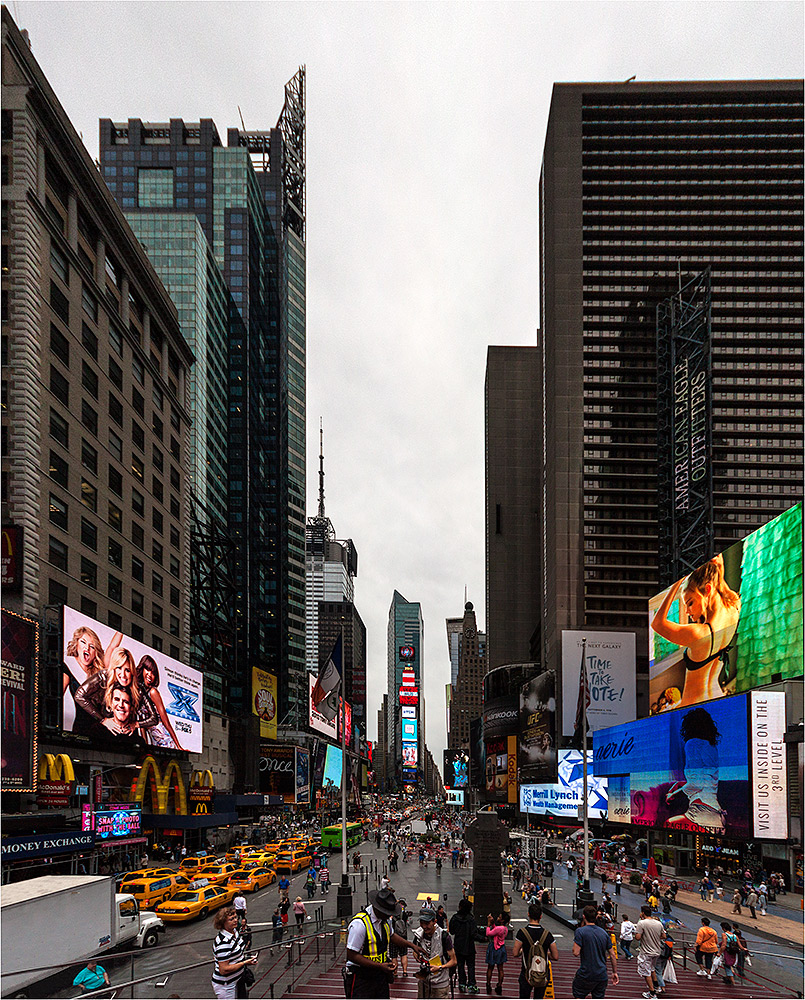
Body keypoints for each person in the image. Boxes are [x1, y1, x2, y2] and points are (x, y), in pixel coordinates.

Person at [344, 888, 425, 999]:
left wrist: (411, 945)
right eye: (388, 913)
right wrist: (380, 966)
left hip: (380, 975)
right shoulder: (359, 925)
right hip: (361, 978)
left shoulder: (385, 920)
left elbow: (391, 936)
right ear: (378, 909)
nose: (389, 916)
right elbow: (351, 955)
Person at [63, 625, 106, 735]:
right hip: (80, 731)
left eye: (92, 646)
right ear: (76, 644)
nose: (87, 648)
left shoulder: (98, 675)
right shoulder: (68, 665)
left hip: (101, 730)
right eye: (83, 642)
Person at [512, 902, 558, 1000]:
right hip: (542, 973)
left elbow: (515, 953)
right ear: (541, 916)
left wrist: (523, 951)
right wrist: (545, 953)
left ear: (528, 914)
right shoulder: (547, 934)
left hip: (526, 973)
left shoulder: (522, 933)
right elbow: (555, 956)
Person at [572, 904, 618, 999]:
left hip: (586, 973)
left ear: (584, 916)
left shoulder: (580, 931)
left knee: (579, 995)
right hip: (601, 974)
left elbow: (575, 952)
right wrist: (614, 972)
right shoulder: (604, 933)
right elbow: (612, 955)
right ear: (596, 916)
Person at [211, 907, 257, 1000]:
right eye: (231, 919)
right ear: (223, 922)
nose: (235, 920)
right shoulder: (223, 943)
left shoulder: (234, 932)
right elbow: (223, 969)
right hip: (226, 985)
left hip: (237, 980)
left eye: (236, 917)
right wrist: (244, 963)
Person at [413, 904, 457, 999]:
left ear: (434, 922)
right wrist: (417, 956)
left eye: (427, 923)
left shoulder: (444, 936)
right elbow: (415, 950)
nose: (424, 926)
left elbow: (454, 961)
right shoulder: (418, 935)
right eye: (422, 922)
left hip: (440, 985)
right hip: (424, 983)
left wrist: (440, 967)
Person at [449, 897, 481, 995]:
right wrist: (483, 938)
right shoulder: (471, 919)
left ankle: (462, 984)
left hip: (459, 946)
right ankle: (471, 985)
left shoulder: (455, 918)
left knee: (460, 966)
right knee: (471, 966)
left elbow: (452, 931)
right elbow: (474, 934)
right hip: (469, 946)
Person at [634, 903, 666, 999]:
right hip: (657, 951)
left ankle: (652, 993)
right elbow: (664, 936)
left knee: (646, 972)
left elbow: (637, 937)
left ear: (642, 913)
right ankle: (657, 987)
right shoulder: (658, 923)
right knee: (652, 969)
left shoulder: (642, 923)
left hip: (646, 952)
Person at [485, 913, 509, 996]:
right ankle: (499, 986)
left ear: (502, 920)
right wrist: (493, 924)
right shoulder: (505, 929)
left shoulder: (499, 928)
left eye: (499, 917)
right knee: (500, 969)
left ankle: (488, 985)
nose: (498, 917)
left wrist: (488, 925)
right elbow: (496, 930)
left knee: (490, 968)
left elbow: (489, 933)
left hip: (494, 948)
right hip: (501, 948)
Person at [392, 898, 413, 977]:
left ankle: (395, 972)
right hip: (403, 936)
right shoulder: (404, 914)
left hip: (394, 936)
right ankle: (405, 971)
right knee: (403, 954)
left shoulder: (393, 914)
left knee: (394, 956)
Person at [718, 921, 740, 986]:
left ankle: (733, 982)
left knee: (727, 966)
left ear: (723, 928)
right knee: (729, 966)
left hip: (727, 952)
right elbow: (739, 945)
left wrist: (719, 953)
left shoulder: (724, 935)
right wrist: (744, 949)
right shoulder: (734, 936)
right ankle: (728, 978)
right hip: (733, 953)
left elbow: (724, 945)